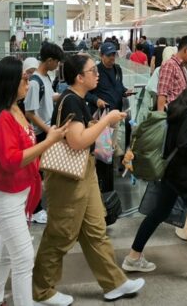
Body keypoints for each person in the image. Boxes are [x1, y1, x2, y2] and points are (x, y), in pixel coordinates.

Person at [32, 55, 144, 305]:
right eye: (92, 71)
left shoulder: (78, 100)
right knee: (60, 234)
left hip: (84, 172)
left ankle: (114, 283)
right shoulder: (71, 101)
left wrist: (95, 122)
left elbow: (80, 133)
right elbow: (77, 141)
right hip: (68, 177)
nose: (97, 74)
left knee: (96, 231)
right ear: (79, 77)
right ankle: (42, 290)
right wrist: (106, 120)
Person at [0, 57, 69, 306]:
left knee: (7, 253)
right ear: (10, 82)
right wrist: (48, 142)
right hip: (4, 195)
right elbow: (10, 160)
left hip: (18, 192)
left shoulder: (16, 109)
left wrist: (49, 138)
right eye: (25, 78)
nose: (28, 83)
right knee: (23, 258)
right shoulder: (1, 117)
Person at [122, 69, 187, 284]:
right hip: (183, 173)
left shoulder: (181, 102)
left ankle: (133, 257)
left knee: (159, 213)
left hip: (169, 168)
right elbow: (185, 144)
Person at [23, 44, 65, 225]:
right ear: (49, 60)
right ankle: (35, 209)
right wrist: (48, 131)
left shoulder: (45, 78)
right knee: (36, 174)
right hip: (41, 134)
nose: (57, 66)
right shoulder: (34, 82)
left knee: (45, 173)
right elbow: (30, 112)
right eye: (56, 62)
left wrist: (62, 95)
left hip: (49, 132)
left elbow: (47, 99)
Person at [85, 42, 134, 192]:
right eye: (109, 55)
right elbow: (86, 93)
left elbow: (118, 87)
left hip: (116, 116)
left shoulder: (118, 69)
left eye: (114, 54)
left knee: (111, 149)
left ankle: (108, 180)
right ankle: (100, 181)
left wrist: (125, 91)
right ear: (101, 56)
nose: (112, 58)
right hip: (101, 118)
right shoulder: (96, 71)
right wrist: (96, 100)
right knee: (102, 151)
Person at [156, 35, 187, 112]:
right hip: (172, 115)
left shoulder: (181, 67)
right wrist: (160, 118)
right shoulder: (170, 65)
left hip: (179, 114)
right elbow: (162, 94)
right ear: (186, 50)